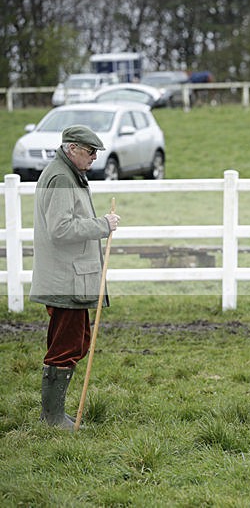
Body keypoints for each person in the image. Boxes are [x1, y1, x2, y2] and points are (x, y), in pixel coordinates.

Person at [30, 125, 120, 429]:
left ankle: (54, 415)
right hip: (64, 278)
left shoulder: (68, 175)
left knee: (76, 341)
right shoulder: (61, 178)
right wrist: (102, 225)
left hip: (71, 276)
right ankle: (52, 418)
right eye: (90, 151)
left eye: (95, 152)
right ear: (72, 149)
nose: (94, 157)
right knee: (66, 345)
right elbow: (61, 230)